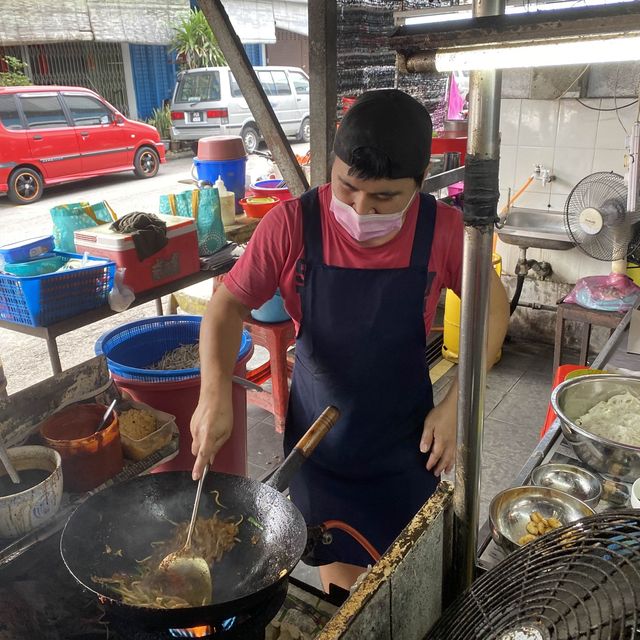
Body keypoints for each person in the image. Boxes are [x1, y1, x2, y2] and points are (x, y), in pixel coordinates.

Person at [190, 89, 510, 592]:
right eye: (347, 188)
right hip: (317, 444)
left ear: (420, 184)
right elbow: (226, 307)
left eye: (384, 198)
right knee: (341, 586)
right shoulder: (291, 225)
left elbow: (491, 309)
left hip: (407, 443)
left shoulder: (444, 230)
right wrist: (213, 395)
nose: (361, 209)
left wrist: (458, 405)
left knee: (404, 580)